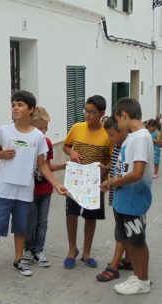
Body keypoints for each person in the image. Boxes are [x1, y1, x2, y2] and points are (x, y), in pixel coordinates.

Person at [0, 91, 67, 280]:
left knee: (21, 228)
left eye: (20, 105)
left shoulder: (38, 137)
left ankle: (19, 259)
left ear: (31, 109)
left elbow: (42, 165)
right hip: (3, 189)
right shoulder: (4, 130)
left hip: (25, 191)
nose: (15, 108)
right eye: (13, 105)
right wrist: (2, 155)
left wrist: (57, 184)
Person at [100, 98, 154, 295]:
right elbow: (124, 168)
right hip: (124, 200)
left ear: (124, 115)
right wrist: (112, 178)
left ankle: (143, 281)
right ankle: (138, 276)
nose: (118, 125)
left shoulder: (141, 137)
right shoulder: (132, 137)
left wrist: (113, 182)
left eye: (118, 120)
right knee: (129, 239)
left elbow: (137, 173)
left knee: (138, 241)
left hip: (134, 201)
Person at [62, 95, 112, 269]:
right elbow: (66, 146)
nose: (88, 115)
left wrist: (105, 168)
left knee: (91, 218)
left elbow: (111, 159)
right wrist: (72, 153)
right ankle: (71, 250)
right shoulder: (77, 127)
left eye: (93, 112)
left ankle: (86, 252)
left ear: (102, 113)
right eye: (86, 110)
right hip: (75, 180)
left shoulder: (107, 133)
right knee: (71, 215)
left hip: (95, 183)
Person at [22, 107, 66, 267]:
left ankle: (39, 250)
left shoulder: (47, 142)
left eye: (45, 128)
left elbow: (47, 166)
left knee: (42, 221)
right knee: (30, 222)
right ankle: (28, 249)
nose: (43, 131)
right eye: (39, 128)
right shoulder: (25, 140)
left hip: (45, 190)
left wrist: (62, 166)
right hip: (30, 190)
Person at [96, 117, 131, 282]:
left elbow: (126, 173)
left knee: (121, 231)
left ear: (122, 131)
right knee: (123, 228)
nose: (109, 138)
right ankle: (129, 259)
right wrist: (108, 168)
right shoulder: (118, 146)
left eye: (111, 134)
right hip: (117, 193)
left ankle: (114, 267)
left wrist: (110, 182)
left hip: (124, 194)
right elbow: (119, 167)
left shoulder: (128, 147)